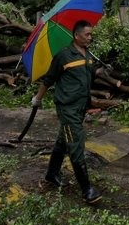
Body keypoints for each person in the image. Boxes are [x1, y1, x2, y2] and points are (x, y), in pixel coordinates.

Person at [31, 19, 104, 204]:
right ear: (76, 35)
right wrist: (38, 99)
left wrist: (99, 71)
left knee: (64, 140)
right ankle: (87, 190)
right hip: (67, 108)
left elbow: (88, 74)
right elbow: (48, 79)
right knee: (75, 143)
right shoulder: (63, 56)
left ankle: (51, 173)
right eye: (87, 34)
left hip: (80, 107)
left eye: (91, 34)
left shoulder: (87, 54)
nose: (90, 37)